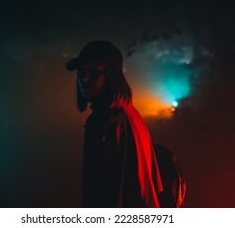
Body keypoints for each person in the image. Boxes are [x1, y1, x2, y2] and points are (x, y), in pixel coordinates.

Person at [66, 40, 163, 207]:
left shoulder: (108, 122)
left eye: (94, 71)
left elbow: (102, 191)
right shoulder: (128, 114)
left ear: (112, 76)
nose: (83, 77)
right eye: (81, 70)